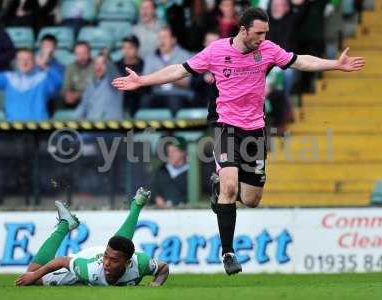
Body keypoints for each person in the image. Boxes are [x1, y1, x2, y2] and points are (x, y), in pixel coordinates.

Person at [111, 7, 365, 275]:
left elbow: (300, 61)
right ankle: (228, 252)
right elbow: (180, 69)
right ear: (243, 30)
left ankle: (220, 189)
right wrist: (143, 81)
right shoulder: (217, 51)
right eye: (259, 33)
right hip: (225, 124)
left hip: (255, 129)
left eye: (266, 33)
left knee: (251, 199)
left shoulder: (267, 49)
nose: (263, 38)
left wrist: (334, 64)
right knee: (230, 188)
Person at [15, 187, 170, 287]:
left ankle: (136, 205)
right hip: (89, 258)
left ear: (128, 262)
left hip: (114, 260)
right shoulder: (89, 269)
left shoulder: (141, 263)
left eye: (114, 260)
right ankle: (65, 225)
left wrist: (157, 283)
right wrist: (34, 275)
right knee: (33, 275)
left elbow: (163, 268)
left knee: (120, 246)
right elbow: (62, 261)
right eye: (107, 257)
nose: (107, 264)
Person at [0, 48, 63, 121]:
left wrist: (44, 65)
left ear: (35, 61)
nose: (24, 63)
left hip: (39, 127)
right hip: (13, 127)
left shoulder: (43, 78)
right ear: (16, 62)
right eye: (21, 59)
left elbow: (59, 82)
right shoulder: (9, 77)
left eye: (28, 59)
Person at [141, 26, 193, 115]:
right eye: (159, 38)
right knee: (145, 101)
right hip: (156, 94)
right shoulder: (150, 58)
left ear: (173, 40)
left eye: (165, 37)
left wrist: (164, 77)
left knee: (173, 100)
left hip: (178, 94)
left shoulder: (185, 55)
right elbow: (146, 81)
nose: (162, 41)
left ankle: (174, 129)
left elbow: (188, 82)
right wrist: (171, 75)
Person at [74, 54, 123, 120]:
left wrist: (106, 56)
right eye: (96, 64)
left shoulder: (116, 81)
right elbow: (83, 105)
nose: (99, 67)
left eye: (103, 64)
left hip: (111, 126)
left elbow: (113, 71)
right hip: (92, 125)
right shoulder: (90, 84)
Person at [151, 136, 189, 208]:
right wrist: (156, 198)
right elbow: (151, 189)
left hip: (185, 212)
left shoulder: (192, 173)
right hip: (162, 213)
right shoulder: (161, 171)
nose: (170, 154)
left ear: (183, 153)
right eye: (169, 151)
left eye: (174, 151)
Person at [115, 36, 145, 117]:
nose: (126, 51)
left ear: (137, 48)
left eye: (130, 47)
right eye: (124, 47)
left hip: (140, 96)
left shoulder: (144, 64)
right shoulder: (116, 65)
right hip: (121, 96)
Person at [62, 41, 94, 108]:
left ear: (90, 53)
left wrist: (78, 95)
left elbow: (98, 90)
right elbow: (66, 87)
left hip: (92, 99)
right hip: (74, 101)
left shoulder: (97, 66)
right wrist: (67, 94)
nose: (81, 57)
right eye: (78, 54)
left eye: (84, 53)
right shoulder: (70, 67)